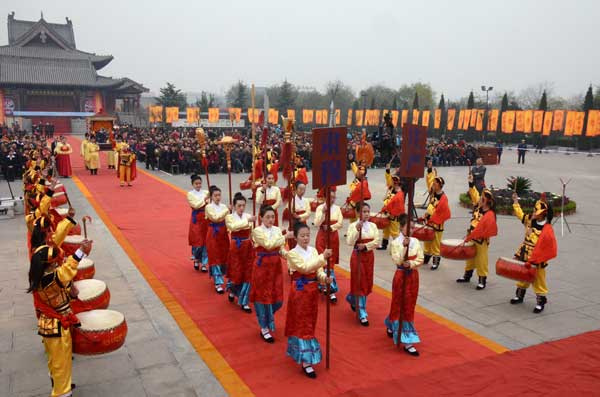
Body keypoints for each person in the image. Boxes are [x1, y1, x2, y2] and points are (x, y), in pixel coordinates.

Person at [28, 240, 93, 397]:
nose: (57, 264)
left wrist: (70, 289)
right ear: (48, 266)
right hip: (57, 327)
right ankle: (62, 392)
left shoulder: (41, 277)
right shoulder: (48, 279)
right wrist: (80, 252)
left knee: (56, 361)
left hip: (51, 323)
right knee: (61, 363)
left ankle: (59, 384)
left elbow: (61, 284)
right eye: (54, 263)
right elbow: (65, 271)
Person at [283, 222, 332, 378]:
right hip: (299, 291)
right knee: (301, 323)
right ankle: (306, 360)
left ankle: (303, 352)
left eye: (307, 235)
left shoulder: (313, 250)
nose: (305, 238)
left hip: (312, 292)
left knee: (310, 322)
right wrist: (322, 257)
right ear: (296, 237)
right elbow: (304, 268)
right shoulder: (292, 253)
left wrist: (325, 278)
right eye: (302, 235)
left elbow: (318, 271)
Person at [510, 193, 558, 313]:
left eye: (537, 210)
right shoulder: (529, 220)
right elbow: (520, 214)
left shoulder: (547, 228)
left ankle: (541, 301)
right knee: (523, 276)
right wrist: (515, 201)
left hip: (538, 258)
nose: (534, 212)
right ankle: (519, 295)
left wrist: (539, 257)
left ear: (544, 213)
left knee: (538, 279)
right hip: (525, 253)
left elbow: (549, 246)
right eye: (535, 209)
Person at [384, 214, 424, 356]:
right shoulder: (395, 243)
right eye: (409, 227)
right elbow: (397, 260)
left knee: (409, 305)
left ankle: (404, 335)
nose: (412, 230)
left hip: (413, 276)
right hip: (401, 276)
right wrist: (404, 249)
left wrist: (412, 263)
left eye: (413, 227)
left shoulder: (416, 242)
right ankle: (402, 334)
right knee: (398, 303)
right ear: (401, 227)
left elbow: (421, 258)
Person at [250, 205, 286, 343]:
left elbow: (280, 249)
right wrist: (283, 237)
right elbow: (269, 245)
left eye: (273, 217)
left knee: (277, 298)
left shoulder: (277, 230)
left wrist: (291, 257)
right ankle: (264, 327)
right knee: (262, 296)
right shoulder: (257, 231)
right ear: (261, 218)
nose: (271, 219)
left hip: (276, 267)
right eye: (268, 217)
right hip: (262, 268)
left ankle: (268, 316)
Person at [456, 175, 498, 290]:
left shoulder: (490, 215)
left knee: (481, 260)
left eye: (482, 198)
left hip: (481, 240)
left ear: (486, 202)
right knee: (470, 258)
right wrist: (471, 183)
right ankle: (467, 276)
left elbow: (487, 229)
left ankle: (482, 280)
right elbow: (474, 194)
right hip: (472, 237)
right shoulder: (478, 207)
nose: (479, 199)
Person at [345, 202, 380, 326]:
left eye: (367, 212)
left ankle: (352, 298)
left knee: (366, 281)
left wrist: (365, 246)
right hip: (357, 257)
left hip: (368, 256)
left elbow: (377, 241)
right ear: (358, 213)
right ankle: (362, 312)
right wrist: (356, 230)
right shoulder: (353, 225)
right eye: (363, 212)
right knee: (359, 282)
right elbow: (349, 241)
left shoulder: (373, 226)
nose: (366, 214)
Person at [225, 192, 255, 312]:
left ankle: (244, 300)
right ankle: (232, 289)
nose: (241, 208)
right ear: (234, 205)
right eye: (239, 206)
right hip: (236, 247)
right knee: (236, 271)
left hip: (247, 246)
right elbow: (233, 227)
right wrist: (247, 221)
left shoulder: (248, 216)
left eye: (243, 205)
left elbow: (252, 232)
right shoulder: (229, 217)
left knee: (248, 272)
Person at [314, 189, 343, 303]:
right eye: (330, 197)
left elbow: (340, 223)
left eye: (334, 197)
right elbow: (316, 223)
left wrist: (331, 227)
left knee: (330, 262)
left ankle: (331, 289)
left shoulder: (337, 209)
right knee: (323, 260)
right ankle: (323, 284)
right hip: (322, 236)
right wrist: (323, 213)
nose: (332, 199)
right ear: (325, 198)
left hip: (333, 236)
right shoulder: (320, 208)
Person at [424, 161, 451, 270]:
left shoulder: (444, 198)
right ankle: (426, 256)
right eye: (433, 184)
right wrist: (430, 170)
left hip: (437, 224)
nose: (433, 185)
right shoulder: (433, 193)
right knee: (427, 240)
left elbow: (441, 213)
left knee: (435, 242)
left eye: (435, 184)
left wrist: (432, 219)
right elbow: (429, 182)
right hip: (430, 221)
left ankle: (435, 261)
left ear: (440, 185)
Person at [205, 186, 230, 294]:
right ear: (211, 196)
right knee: (215, 256)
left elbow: (227, 219)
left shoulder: (223, 206)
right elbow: (215, 218)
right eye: (215, 195)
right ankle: (217, 281)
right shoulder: (208, 207)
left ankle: (223, 274)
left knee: (224, 254)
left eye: (219, 195)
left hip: (223, 232)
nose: (218, 197)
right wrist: (226, 211)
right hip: (213, 233)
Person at [378, 164, 405, 251]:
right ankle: (384, 245)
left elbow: (398, 208)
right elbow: (388, 178)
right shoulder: (391, 188)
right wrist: (388, 170)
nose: (391, 182)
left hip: (394, 215)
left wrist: (389, 211)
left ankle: (397, 247)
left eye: (393, 181)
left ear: (396, 182)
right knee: (386, 230)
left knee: (394, 232)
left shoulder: (399, 194)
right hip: (387, 213)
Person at [187, 174, 209, 272]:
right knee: (197, 240)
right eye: (196, 184)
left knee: (205, 241)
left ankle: (204, 263)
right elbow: (195, 205)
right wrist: (205, 200)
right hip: (196, 218)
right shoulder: (190, 194)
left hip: (205, 218)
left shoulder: (206, 192)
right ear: (193, 184)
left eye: (200, 183)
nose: (198, 185)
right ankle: (196, 259)